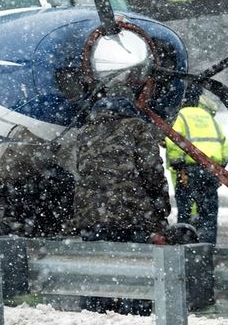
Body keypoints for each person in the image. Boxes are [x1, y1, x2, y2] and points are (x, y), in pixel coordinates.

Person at [71, 95, 172, 315]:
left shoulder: (85, 132)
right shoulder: (136, 128)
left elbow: (81, 171)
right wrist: (161, 208)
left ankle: (94, 315)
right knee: (136, 276)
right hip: (132, 213)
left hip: (91, 215)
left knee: (96, 273)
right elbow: (152, 172)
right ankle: (133, 315)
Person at [165, 84, 228, 244]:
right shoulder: (208, 116)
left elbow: (173, 141)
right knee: (209, 214)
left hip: (189, 170)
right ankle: (208, 247)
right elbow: (225, 146)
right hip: (212, 170)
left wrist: (177, 163)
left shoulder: (180, 115)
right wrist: (220, 167)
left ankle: (186, 247)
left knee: (185, 212)